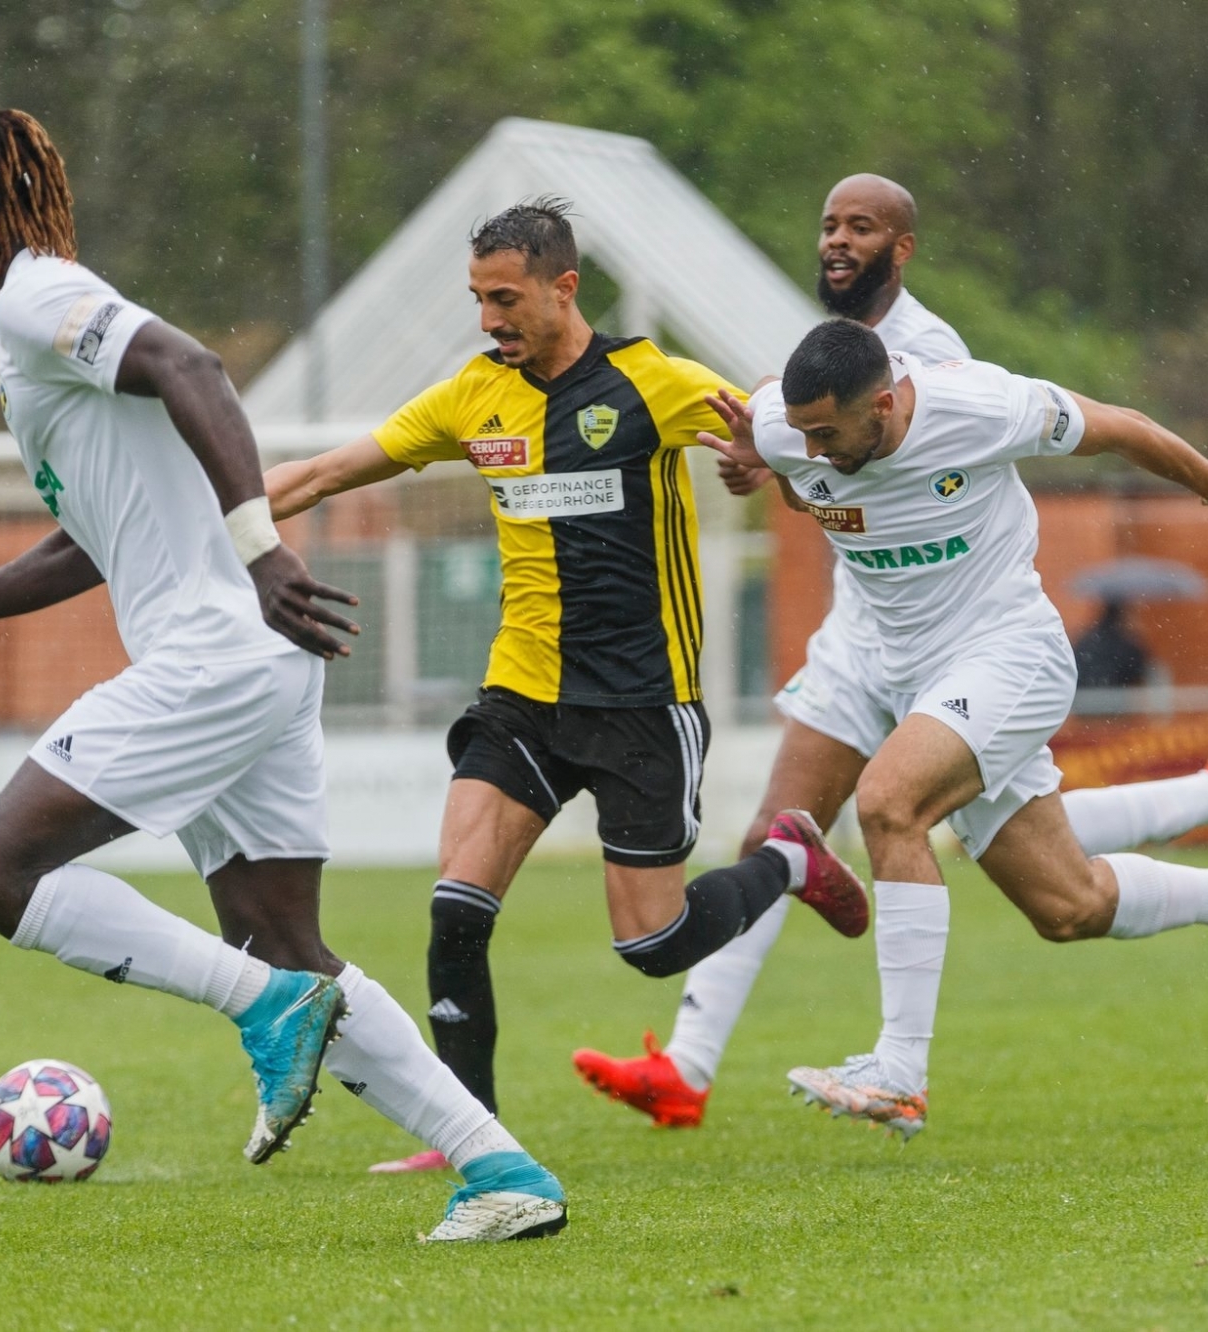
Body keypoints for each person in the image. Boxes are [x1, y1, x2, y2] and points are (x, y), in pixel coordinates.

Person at [0, 109, 563, 1242]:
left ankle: (262, 1008)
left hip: (218, 654)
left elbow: (195, 365)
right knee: (288, 943)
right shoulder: (50, 324)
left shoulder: (33, 294)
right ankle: (502, 1171)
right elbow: (95, 538)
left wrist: (261, 549)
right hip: (258, 659)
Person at [573, 177, 1208, 1129]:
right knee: (1066, 903)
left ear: (886, 401)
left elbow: (1118, 428)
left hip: (1002, 652)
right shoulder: (787, 418)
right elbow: (819, 480)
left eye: (861, 226)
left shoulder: (970, 399)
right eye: (828, 223)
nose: (807, 446)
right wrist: (780, 470)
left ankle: (895, 1071)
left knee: (890, 804)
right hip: (889, 656)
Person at [264, 198, 868, 1173]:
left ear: (563, 287)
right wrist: (222, 524)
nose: (488, 319)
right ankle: (465, 1131)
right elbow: (331, 470)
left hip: (641, 700)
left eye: (504, 299)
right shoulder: (472, 396)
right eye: (476, 299)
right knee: (455, 906)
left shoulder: (650, 382)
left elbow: (780, 420)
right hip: (523, 695)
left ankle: (789, 862)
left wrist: (767, 456)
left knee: (651, 946)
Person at [1073, 596, 1153, 690]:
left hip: (1083, 698)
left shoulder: (1086, 639)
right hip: (1114, 700)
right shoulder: (1125, 645)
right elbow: (1141, 670)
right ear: (1124, 613)